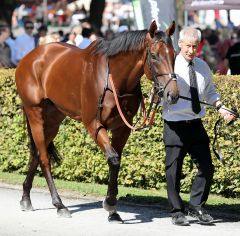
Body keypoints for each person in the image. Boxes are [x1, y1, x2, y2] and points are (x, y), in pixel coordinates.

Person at [162, 27, 235, 226]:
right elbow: (161, 91)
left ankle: (196, 207)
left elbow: (210, 93)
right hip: (174, 126)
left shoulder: (202, 66)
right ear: (179, 44)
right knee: (173, 171)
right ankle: (177, 212)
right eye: (188, 46)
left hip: (196, 124)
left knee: (206, 167)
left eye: (195, 46)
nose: (191, 50)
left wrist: (221, 107)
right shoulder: (170, 65)